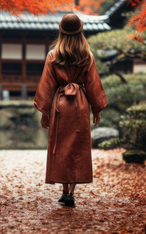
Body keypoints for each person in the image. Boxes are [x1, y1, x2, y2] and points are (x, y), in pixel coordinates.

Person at [34, 13, 107, 207]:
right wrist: (97, 109)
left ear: (61, 32)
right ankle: (71, 194)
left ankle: (64, 190)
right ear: (80, 31)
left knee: (62, 147)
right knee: (78, 148)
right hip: (81, 104)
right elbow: (92, 84)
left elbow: (46, 86)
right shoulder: (87, 55)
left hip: (60, 105)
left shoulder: (53, 55)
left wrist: (44, 112)